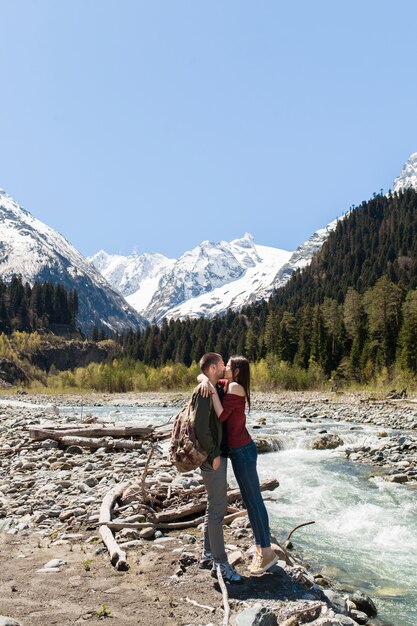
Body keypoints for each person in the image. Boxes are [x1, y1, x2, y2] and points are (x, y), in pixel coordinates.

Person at [200, 355, 278, 575]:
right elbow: (203, 375)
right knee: (250, 500)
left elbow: (222, 415)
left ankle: (267, 552)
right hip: (237, 452)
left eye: (229, 366)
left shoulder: (235, 388)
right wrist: (205, 379)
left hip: (243, 451)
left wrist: (212, 390)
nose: (224, 368)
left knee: (254, 501)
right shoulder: (231, 383)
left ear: (236, 372)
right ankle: (261, 548)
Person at [193, 352, 242, 584]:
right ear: (213, 368)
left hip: (216, 455)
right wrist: (213, 455)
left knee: (213, 505)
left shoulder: (213, 386)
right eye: (222, 363)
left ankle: (207, 554)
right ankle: (221, 564)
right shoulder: (204, 391)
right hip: (212, 457)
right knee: (218, 510)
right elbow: (201, 427)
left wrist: (201, 378)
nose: (224, 366)